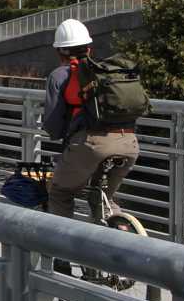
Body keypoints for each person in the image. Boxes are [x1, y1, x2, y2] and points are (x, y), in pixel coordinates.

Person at [41, 19, 139, 221]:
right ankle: (119, 230)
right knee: (102, 196)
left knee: (60, 193)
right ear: (89, 47)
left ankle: (63, 251)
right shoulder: (106, 71)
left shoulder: (59, 75)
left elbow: (54, 126)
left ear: (60, 51)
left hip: (91, 144)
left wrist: (61, 133)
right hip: (129, 143)